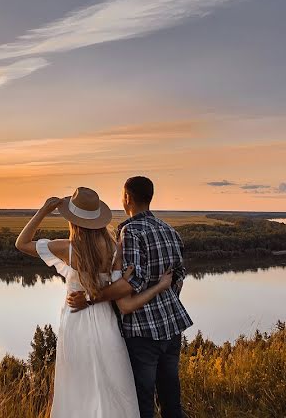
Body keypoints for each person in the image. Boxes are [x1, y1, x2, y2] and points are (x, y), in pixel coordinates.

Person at [16, 186, 174, 418]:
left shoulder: (65, 249)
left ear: (73, 220)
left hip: (75, 322)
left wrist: (44, 210)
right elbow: (123, 294)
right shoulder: (114, 249)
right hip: (106, 322)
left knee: (78, 386)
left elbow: (21, 243)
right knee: (111, 383)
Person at [67, 176, 193, 418]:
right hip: (172, 327)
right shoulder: (170, 230)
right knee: (171, 400)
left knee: (141, 403)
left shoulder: (131, 231)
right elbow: (178, 277)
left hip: (143, 332)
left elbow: (129, 284)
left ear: (127, 198)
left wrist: (91, 298)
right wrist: (164, 298)